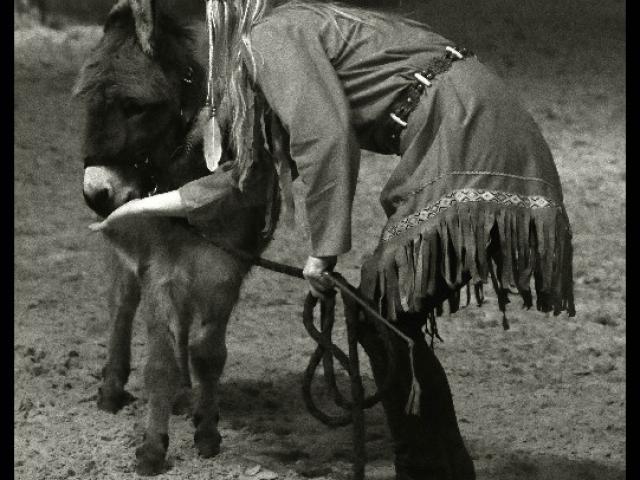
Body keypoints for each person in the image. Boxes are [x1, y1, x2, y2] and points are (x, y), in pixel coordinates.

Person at [91, 1, 575, 478]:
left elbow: (325, 137)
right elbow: (247, 177)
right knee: (390, 315)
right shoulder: (294, 35)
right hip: (478, 122)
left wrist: (322, 253)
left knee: (384, 313)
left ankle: (427, 468)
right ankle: (441, 466)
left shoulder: (269, 39)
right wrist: (140, 207)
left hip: (466, 134)